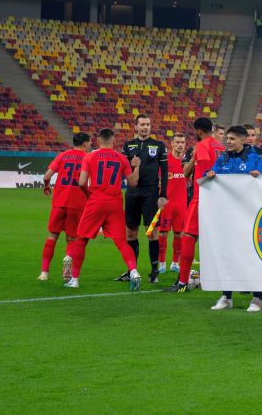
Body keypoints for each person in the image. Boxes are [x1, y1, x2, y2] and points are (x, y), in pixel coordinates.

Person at [64, 129, 142, 291]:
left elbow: (81, 182)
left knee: (81, 239)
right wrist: (137, 167)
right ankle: (134, 272)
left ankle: (75, 279)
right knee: (121, 242)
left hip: (96, 201)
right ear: (113, 140)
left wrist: (89, 195)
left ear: (98, 139)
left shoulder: (89, 156)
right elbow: (133, 183)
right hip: (115, 204)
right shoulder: (121, 158)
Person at [205, 126, 262, 312]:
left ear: (243, 140)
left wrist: (261, 176)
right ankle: (226, 296)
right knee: (227, 255)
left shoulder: (256, 159)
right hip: (227, 217)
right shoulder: (222, 159)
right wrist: (209, 175)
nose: (228, 141)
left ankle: (257, 298)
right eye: (227, 138)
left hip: (251, 217)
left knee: (254, 255)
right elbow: (207, 176)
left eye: (232, 139)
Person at [164, 118, 223, 293]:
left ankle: (182, 283)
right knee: (215, 241)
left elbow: (205, 171)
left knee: (188, 236)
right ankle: (217, 280)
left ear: (198, 131)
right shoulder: (220, 147)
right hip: (219, 200)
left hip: (202, 197)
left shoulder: (202, 146)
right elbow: (186, 173)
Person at [117, 114, 168, 283]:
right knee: (130, 232)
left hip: (151, 193)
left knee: (151, 231)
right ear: (136, 127)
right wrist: (131, 165)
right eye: (142, 125)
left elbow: (165, 173)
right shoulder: (128, 145)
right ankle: (132, 270)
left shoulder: (159, 145)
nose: (145, 127)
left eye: (148, 124)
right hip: (132, 192)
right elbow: (122, 169)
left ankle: (154, 271)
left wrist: (163, 195)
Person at [38, 132, 90, 282]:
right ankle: (67, 268)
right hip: (77, 203)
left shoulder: (63, 155)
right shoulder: (88, 158)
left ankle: (44, 273)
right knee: (72, 238)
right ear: (85, 143)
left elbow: (46, 176)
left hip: (59, 202)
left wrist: (47, 186)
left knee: (52, 236)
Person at [156, 133, 189, 277]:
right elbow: (158, 179)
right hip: (167, 203)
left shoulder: (186, 163)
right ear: (172, 144)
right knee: (163, 233)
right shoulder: (165, 160)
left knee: (179, 234)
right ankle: (161, 263)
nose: (180, 145)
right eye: (178, 142)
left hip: (182, 204)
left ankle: (175, 263)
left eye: (183, 142)